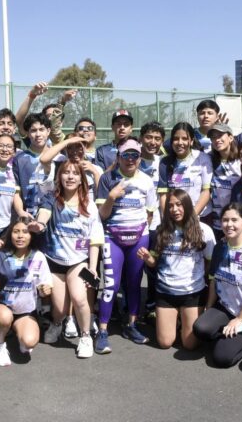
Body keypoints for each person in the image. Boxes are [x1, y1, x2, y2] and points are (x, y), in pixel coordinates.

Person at [95, 136, 157, 353]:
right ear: (118, 157)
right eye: (126, 155)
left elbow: (149, 213)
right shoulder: (107, 178)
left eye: (135, 155)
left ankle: (131, 325)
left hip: (139, 238)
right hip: (113, 238)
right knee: (111, 285)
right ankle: (102, 331)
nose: (131, 159)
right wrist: (112, 197)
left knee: (134, 283)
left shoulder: (147, 181)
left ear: (140, 158)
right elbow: (102, 215)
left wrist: (139, 230)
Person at [36, 160, 104, 358]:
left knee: (80, 298)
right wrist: (40, 224)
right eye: (66, 172)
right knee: (60, 308)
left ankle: (85, 336)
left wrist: (93, 268)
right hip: (54, 260)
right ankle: (57, 323)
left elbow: (95, 239)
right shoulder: (51, 199)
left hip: (78, 261)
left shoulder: (89, 205)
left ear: (82, 179)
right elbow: (44, 213)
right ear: (60, 177)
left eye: (75, 173)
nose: (70, 176)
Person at [137, 190, 216, 349]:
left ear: (187, 205)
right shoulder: (162, 230)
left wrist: (201, 279)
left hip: (192, 293)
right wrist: (148, 258)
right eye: (171, 206)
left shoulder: (203, 230)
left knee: (189, 345)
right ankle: (176, 319)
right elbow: (154, 262)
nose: (175, 209)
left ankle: (183, 319)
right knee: (165, 343)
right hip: (166, 292)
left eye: (179, 205)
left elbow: (210, 262)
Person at [192, 203, 242, 368]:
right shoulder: (221, 246)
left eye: (234, 220)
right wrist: (209, 308)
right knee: (200, 328)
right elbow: (213, 280)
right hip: (226, 307)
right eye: (225, 220)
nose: (229, 224)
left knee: (221, 358)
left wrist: (239, 319)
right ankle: (228, 334)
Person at [0, 217, 53, 366]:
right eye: (16, 231)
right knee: (5, 317)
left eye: (25, 232)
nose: (20, 236)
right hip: (0, 307)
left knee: (29, 342)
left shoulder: (38, 256)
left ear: (31, 236)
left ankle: (18, 333)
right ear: (10, 234)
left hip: (25, 311)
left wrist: (45, 290)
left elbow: (44, 288)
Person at [158, 122, 213, 221]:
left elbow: (206, 191)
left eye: (184, 138)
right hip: (175, 218)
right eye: (176, 139)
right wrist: (168, 219)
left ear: (191, 141)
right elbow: (163, 195)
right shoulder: (165, 162)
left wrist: (192, 217)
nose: (180, 142)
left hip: (200, 217)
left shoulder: (202, 158)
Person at [139, 121, 166, 316]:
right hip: (134, 224)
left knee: (154, 266)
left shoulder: (163, 162)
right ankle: (128, 310)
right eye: (149, 137)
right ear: (141, 138)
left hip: (156, 225)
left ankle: (152, 308)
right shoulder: (131, 158)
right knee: (133, 269)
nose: (153, 142)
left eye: (157, 138)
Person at [0, 134, 24, 252]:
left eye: (9, 146)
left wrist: (20, 211)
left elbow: (15, 194)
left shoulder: (12, 171)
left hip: (4, 229)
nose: (5, 149)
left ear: (14, 152)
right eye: (1, 145)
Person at [12, 113, 54, 218]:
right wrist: (20, 211)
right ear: (27, 133)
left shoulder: (59, 158)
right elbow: (16, 192)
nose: (38, 134)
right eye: (33, 130)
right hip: (29, 216)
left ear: (48, 131)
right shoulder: (19, 159)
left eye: (41, 129)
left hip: (54, 217)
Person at [40, 132, 102, 201]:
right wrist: (68, 141)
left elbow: (102, 195)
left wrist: (95, 172)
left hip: (88, 206)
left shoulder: (95, 169)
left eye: (78, 147)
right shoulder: (60, 165)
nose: (74, 151)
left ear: (85, 147)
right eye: (70, 147)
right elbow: (43, 159)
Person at [14, 82, 77, 147]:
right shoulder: (34, 138)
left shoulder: (64, 140)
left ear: (61, 122)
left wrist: (62, 101)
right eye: (48, 116)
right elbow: (18, 121)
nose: (51, 119)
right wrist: (32, 95)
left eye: (55, 116)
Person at [208, 124, 241, 241]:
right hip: (217, 222)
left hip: (238, 221)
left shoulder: (241, 159)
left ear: (231, 137)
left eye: (220, 135)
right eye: (213, 137)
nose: (217, 140)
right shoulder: (208, 160)